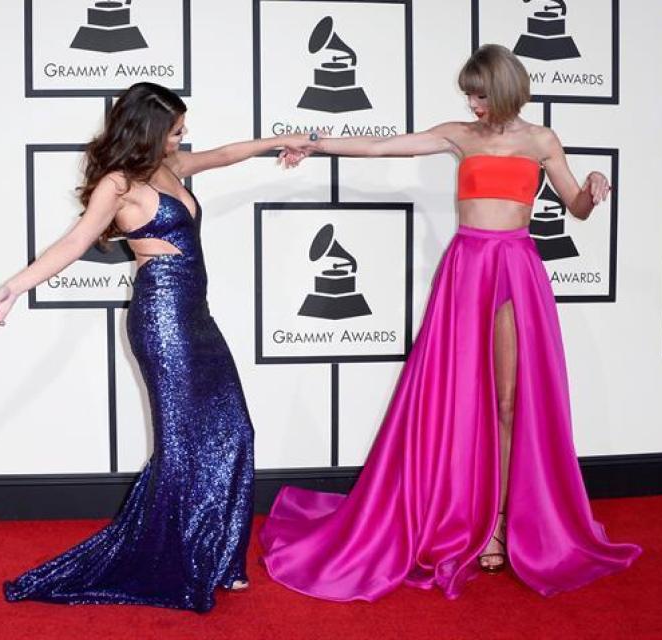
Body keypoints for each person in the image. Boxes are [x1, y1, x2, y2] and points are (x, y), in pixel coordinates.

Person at [262, 44, 641, 601]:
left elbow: (577, 209)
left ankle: (503, 522)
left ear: (506, 88)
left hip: (515, 268)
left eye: (480, 93)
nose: (472, 102)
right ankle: (472, 520)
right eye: (469, 93)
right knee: (457, 396)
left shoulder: (541, 141)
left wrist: (591, 189)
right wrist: (314, 144)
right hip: (467, 269)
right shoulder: (458, 134)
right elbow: (380, 147)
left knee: (510, 400)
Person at [0, 82, 304, 613]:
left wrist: (280, 140)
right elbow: (74, 241)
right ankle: (177, 561)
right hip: (162, 320)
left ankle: (220, 556)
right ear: (151, 129)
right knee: (182, 442)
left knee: (234, 430)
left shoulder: (173, 166)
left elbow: (226, 155)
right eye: (176, 128)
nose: (183, 136)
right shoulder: (119, 183)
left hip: (198, 317)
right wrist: (15, 286)